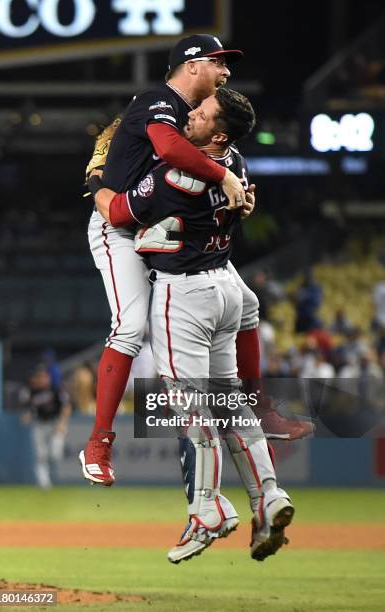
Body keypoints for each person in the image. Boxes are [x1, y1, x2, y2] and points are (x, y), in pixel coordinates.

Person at [81, 33, 311, 488]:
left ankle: (258, 407)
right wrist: (224, 177)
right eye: (217, 63)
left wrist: (238, 197)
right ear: (191, 67)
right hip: (121, 226)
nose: (226, 71)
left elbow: (207, 177)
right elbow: (167, 150)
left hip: (164, 229)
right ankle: (98, 442)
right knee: (130, 327)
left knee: (246, 302)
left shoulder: (205, 126)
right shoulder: (158, 101)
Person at [87, 88, 294, 564]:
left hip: (184, 296)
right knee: (229, 403)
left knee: (192, 409)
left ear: (217, 133)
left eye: (200, 115)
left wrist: (98, 178)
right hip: (226, 286)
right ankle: (269, 494)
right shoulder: (235, 163)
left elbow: (116, 212)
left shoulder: (174, 176)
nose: (190, 115)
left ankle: (205, 508)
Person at [20, 364, 71, 488]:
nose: (41, 379)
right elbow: (26, 409)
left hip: (55, 423)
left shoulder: (56, 388)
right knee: (40, 455)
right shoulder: (30, 391)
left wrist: (63, 423)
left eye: (43, 376)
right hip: (39, 424)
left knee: (55, 454)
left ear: (48, 377)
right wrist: (26, 416)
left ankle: (53, 479)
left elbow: (66, 406)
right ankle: (44, 485)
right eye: (39, 377)